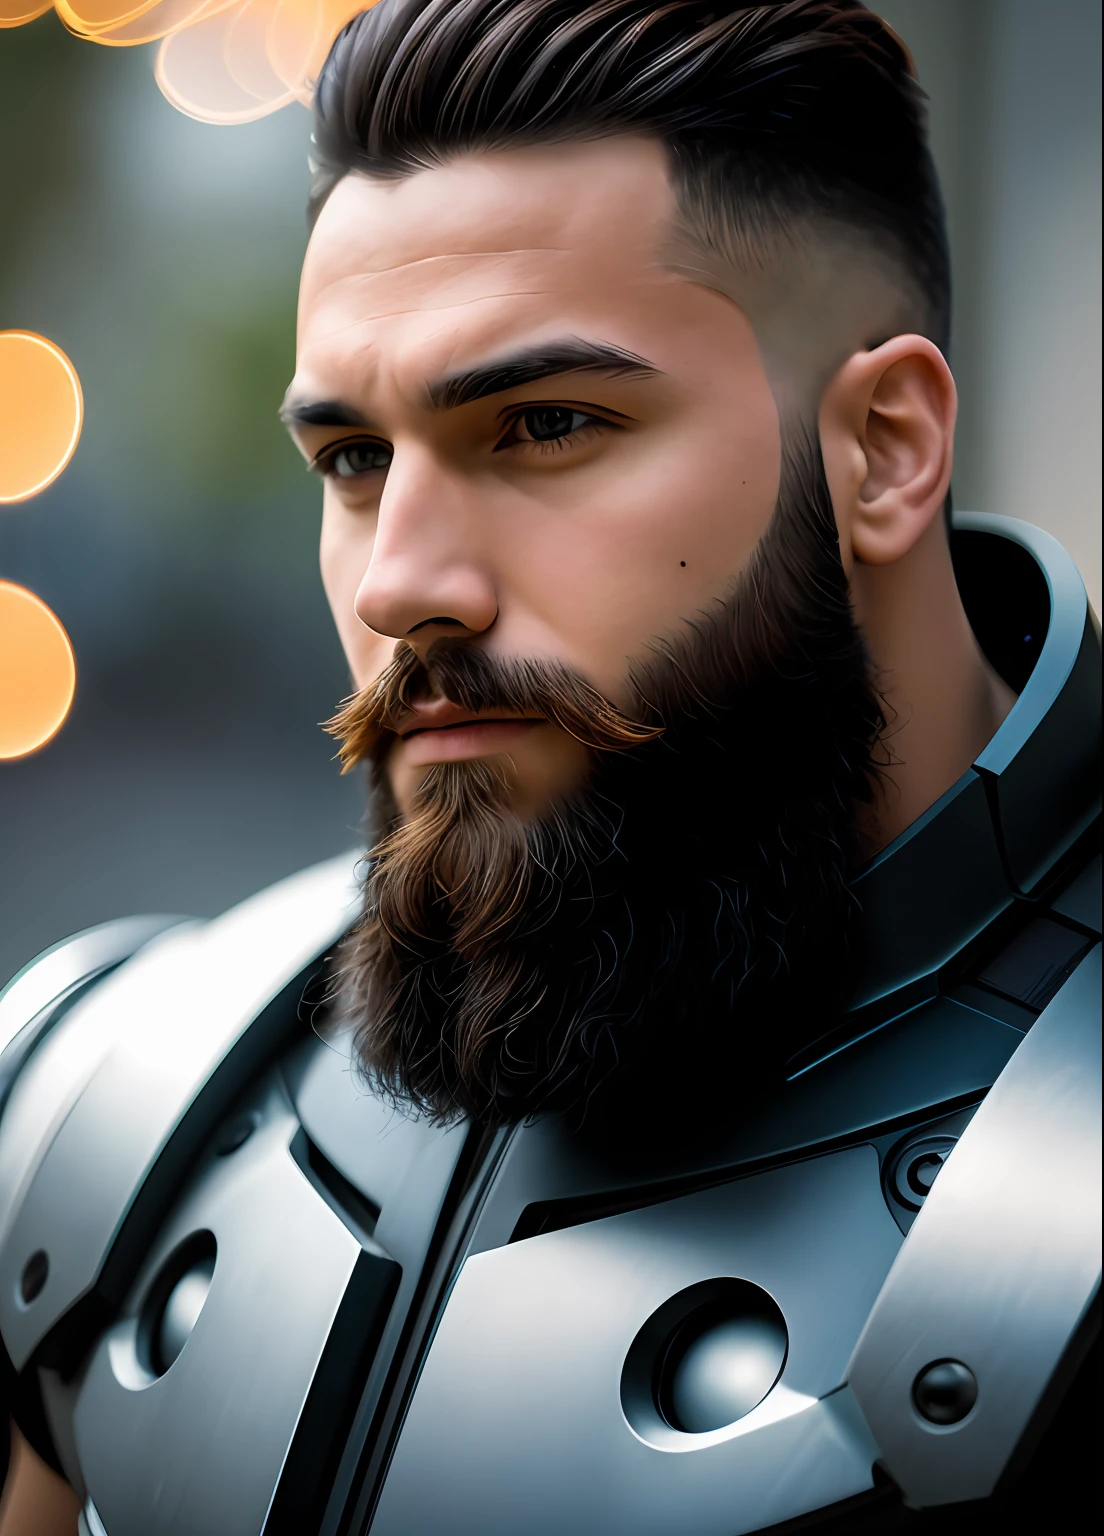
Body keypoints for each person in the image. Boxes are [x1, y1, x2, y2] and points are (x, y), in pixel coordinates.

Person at [0, 3, 1098, 1532]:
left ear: (885, 447)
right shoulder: (112, 1120)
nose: (400, 584)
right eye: (354, 461)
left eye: (546, 424)